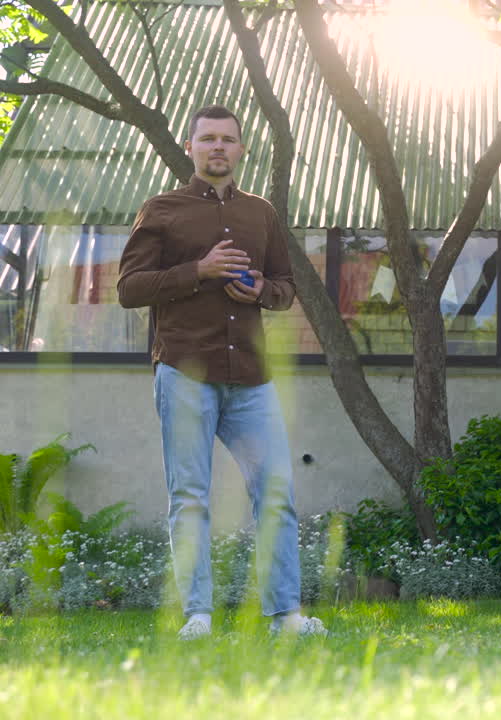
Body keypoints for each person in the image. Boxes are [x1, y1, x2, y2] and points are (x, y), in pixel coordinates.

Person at [118, 105, 325, 639]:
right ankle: (198, 617)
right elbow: (128, 288)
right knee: (190, 496)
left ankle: (285, 617)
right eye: (207, 138)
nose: (217, 147)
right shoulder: (161, 210)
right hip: (185, 371)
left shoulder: (262, 214)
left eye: (227, 140)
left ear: (241, 150)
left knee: (276, 492)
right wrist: (198, 271)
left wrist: (262, 291)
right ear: (190, 147)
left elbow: (284, 285)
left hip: (251, 378)